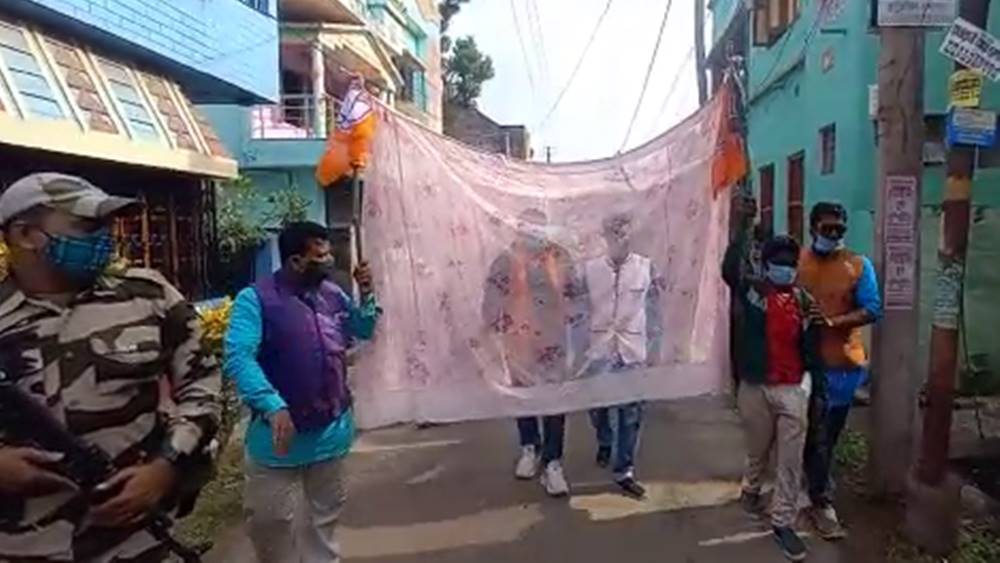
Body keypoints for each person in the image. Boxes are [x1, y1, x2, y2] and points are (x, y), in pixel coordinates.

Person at [0, 173, 221, 562]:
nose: (104, 237)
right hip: (21, 546)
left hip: (137, 543)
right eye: (87, 226)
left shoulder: (149, 296)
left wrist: (166, 467)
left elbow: (203, 384)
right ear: (25, 235)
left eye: (106, 225)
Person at [223, 221, 380, 563]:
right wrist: (271, 403)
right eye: (320, 256)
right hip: (277, 438)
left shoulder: (332, 294)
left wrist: (367, 294)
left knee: (323, 520)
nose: (329, 262)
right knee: (269, 522)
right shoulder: (256, 300)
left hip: (331, 432)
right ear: (295, 261)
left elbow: (362, 328)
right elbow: (239, 357)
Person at [723, 204, 822, 562]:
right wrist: (742, 225)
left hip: (793, 388)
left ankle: (783, 522)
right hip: (755, 387)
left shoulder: (804, 301)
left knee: (790, 461)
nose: (785, 268)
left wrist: (813, 387)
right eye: (778, 262)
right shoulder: (751, 293)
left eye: (790, 263)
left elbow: (813, 347)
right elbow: (730, 269)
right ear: (765, 265)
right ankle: (751, 488)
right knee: (758, 450)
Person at [798, 202, 881, 540]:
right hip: (801, 364)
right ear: (812, 228)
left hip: (841, 366)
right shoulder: (797, 262)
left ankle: (821, 499)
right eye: (827, 228)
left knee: (826, 435)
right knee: (806, 431)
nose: (833, 234)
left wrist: (834, 322)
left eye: (839, 229)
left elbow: (872, 308)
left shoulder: (858, 266)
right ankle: (812, 489)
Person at [482, 209, 576, 497]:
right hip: (519, 339)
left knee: (554, 399)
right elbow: (492, 293)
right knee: (524, 395)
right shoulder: (506, 259)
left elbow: (575, 292)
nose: (533, 235)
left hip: (552, 337)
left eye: (538, 229)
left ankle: (553, 461)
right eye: (527, 229)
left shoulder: (559, 257)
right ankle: (529, 446)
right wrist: (492, 323)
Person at [577, 213, 662, 499]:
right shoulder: (590, 270)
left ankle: (624, 469)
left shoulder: (645, 267)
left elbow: (655, 310)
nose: (620, 239)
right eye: (614, 234)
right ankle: (604, 439)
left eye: (624, 233)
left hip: (632, 350)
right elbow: (578, 309)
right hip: (599, 349)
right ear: (605, 237)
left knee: (631, 413)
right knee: (597, 406)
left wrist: (656, 347)